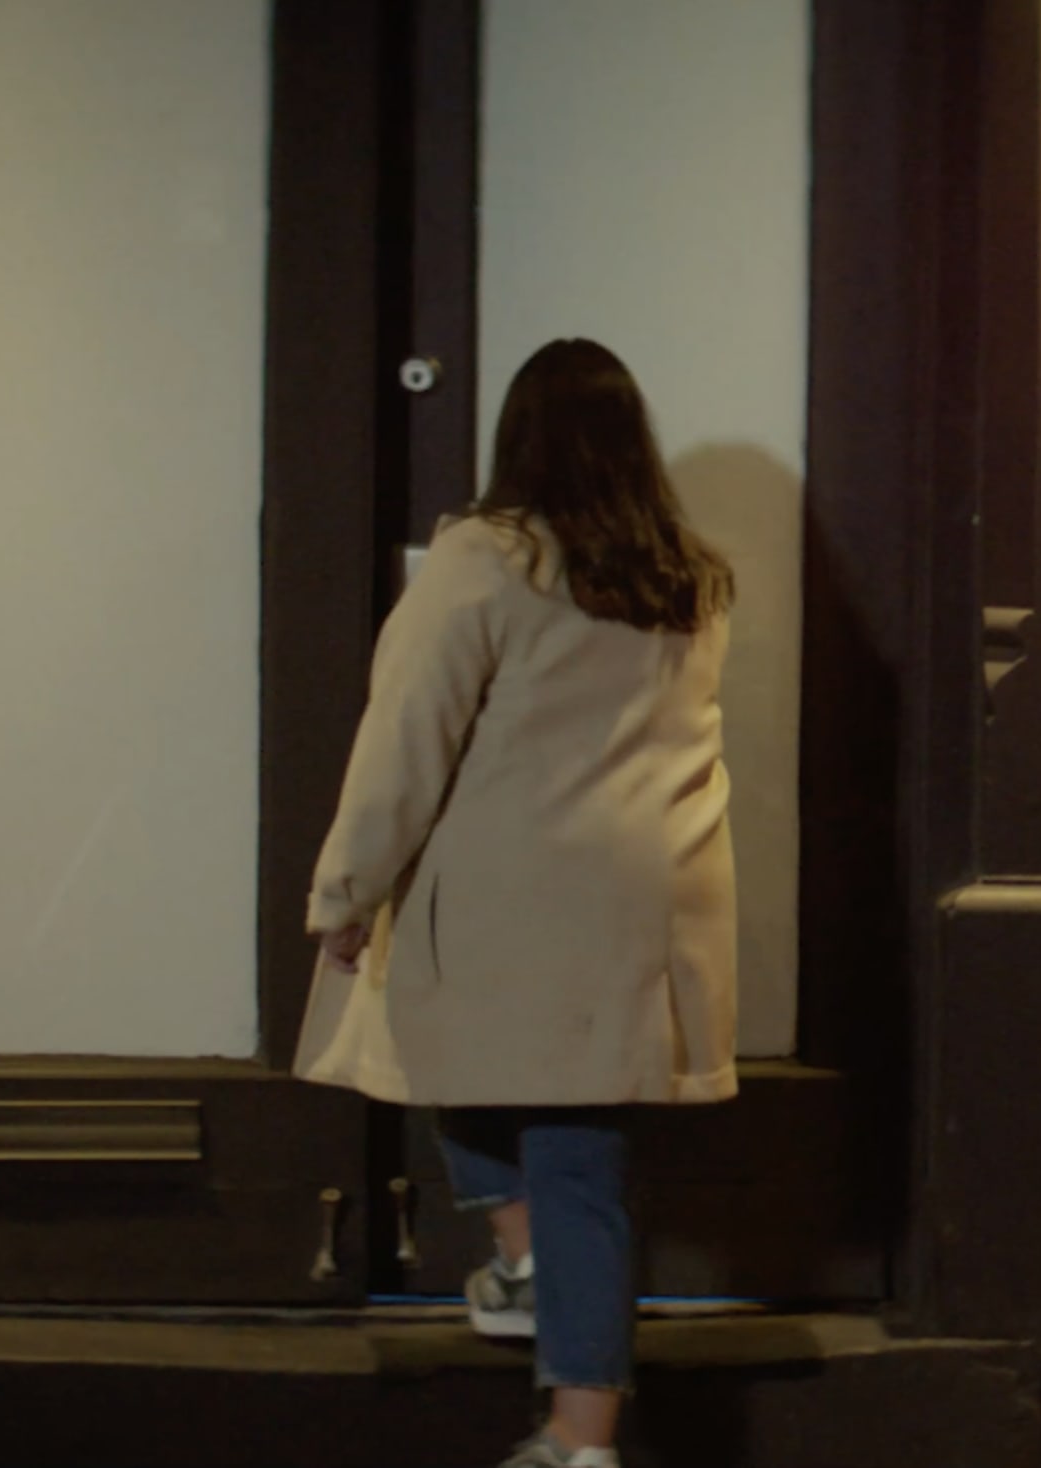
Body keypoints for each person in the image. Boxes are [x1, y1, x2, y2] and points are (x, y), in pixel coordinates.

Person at [294, 338, 740, 1468]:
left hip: (505, 899)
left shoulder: (483, 560)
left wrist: (348, 887)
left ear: (516, 438)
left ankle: (571, 1411)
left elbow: (406, 737)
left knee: (451, 1056)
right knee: (575, 1148)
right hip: (646, 903)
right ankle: (549, 1323)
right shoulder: (690, 575)